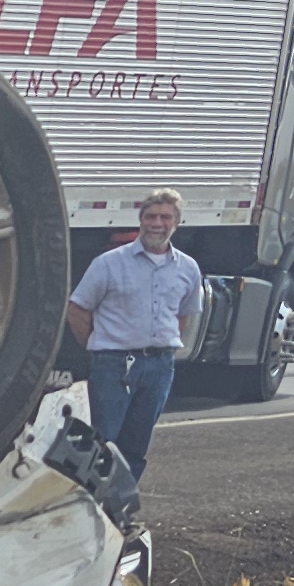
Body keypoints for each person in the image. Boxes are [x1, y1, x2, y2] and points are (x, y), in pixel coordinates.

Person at [64, 188, 207, 516]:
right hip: (114, 365)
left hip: (159, 365)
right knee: (103, 441)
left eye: (165, 217)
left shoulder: (188, 269)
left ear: (177, 224)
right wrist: (99, 349)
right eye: (150, 217)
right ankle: (86, 508)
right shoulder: (109, 264)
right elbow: (77, 310)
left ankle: (118, 508)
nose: (156, 223)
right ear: (140, 220)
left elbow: (182, 316)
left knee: (137, 442)